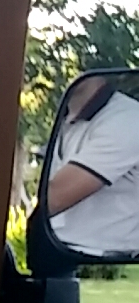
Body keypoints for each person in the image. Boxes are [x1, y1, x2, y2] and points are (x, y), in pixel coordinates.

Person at [46, 73, 139, 256]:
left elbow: (54, 199)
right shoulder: (64, 119)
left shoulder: (128, 119)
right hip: (60, 252)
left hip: (101, 258)